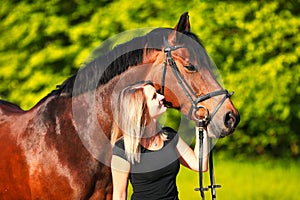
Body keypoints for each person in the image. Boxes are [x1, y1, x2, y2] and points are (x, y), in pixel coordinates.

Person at [111, 81, 208, 200]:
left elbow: (200, 165)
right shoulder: (123, 148)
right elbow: (119, 195)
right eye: (154, 97)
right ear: (141, 109)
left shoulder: (169, 136)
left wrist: (201, 126)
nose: (162, 97)